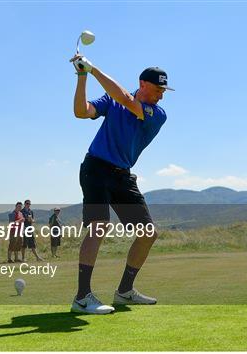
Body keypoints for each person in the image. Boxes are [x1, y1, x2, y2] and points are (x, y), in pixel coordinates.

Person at [69, 53, 172, 314]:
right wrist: (82, 76)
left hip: (122, 175)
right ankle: (82, 297)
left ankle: (125, 291)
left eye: (164, 90)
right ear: (143, 84)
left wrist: (93, 69)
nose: (162, 95)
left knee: (148, 233)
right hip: (96, 168)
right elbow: (81, 112)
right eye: (159, 89)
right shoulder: (111, 102)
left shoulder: (157, 114)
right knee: (99, 226)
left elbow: (126, 99)